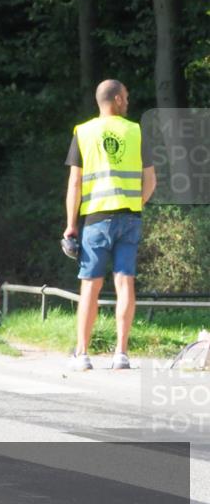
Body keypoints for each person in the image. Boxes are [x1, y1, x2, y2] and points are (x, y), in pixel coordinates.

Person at [63, 79, 156, 371]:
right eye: (125, 96)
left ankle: (83, 353)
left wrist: (70, 226)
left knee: (90, 284)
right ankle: (121, 353)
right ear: (116, 99)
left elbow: (75, 183)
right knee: (124, 281)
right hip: (130, 216)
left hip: (96, 219)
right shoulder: (136, 131)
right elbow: (151, 181)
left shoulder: (83, 132)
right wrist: (134, 203)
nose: (127, 101)